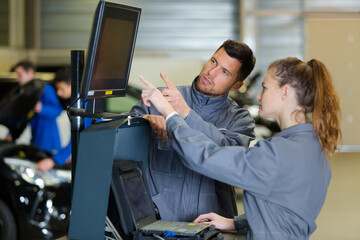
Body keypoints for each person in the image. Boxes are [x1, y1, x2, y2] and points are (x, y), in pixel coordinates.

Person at [140, 57, 342, 240]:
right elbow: (285, 213)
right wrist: (233, 223)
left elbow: (204, 157)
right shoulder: (312, 146)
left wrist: (169, 113)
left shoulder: (277, 154)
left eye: (265, 87)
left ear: (285, 92)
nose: (260, 96)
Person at [128, 39, 256, 221]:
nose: (211, 73)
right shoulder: (161, 99)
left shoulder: (240, 120)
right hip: (156, 225)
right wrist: (143, 121)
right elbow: (121, 132)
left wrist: (183, 112)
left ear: (236, 85)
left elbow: (229, 155)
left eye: (225, 72)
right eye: (213, 61)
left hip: (209, 227)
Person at [11, 60, 64, 171]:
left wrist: (42, 108)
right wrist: (10, 133)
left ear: (30, 73)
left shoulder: (44, 88)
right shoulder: (26, 92)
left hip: (49, 144)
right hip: (36, 143)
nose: (17, 78)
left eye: (19, 74)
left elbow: (58, 110)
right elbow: (23, 117)